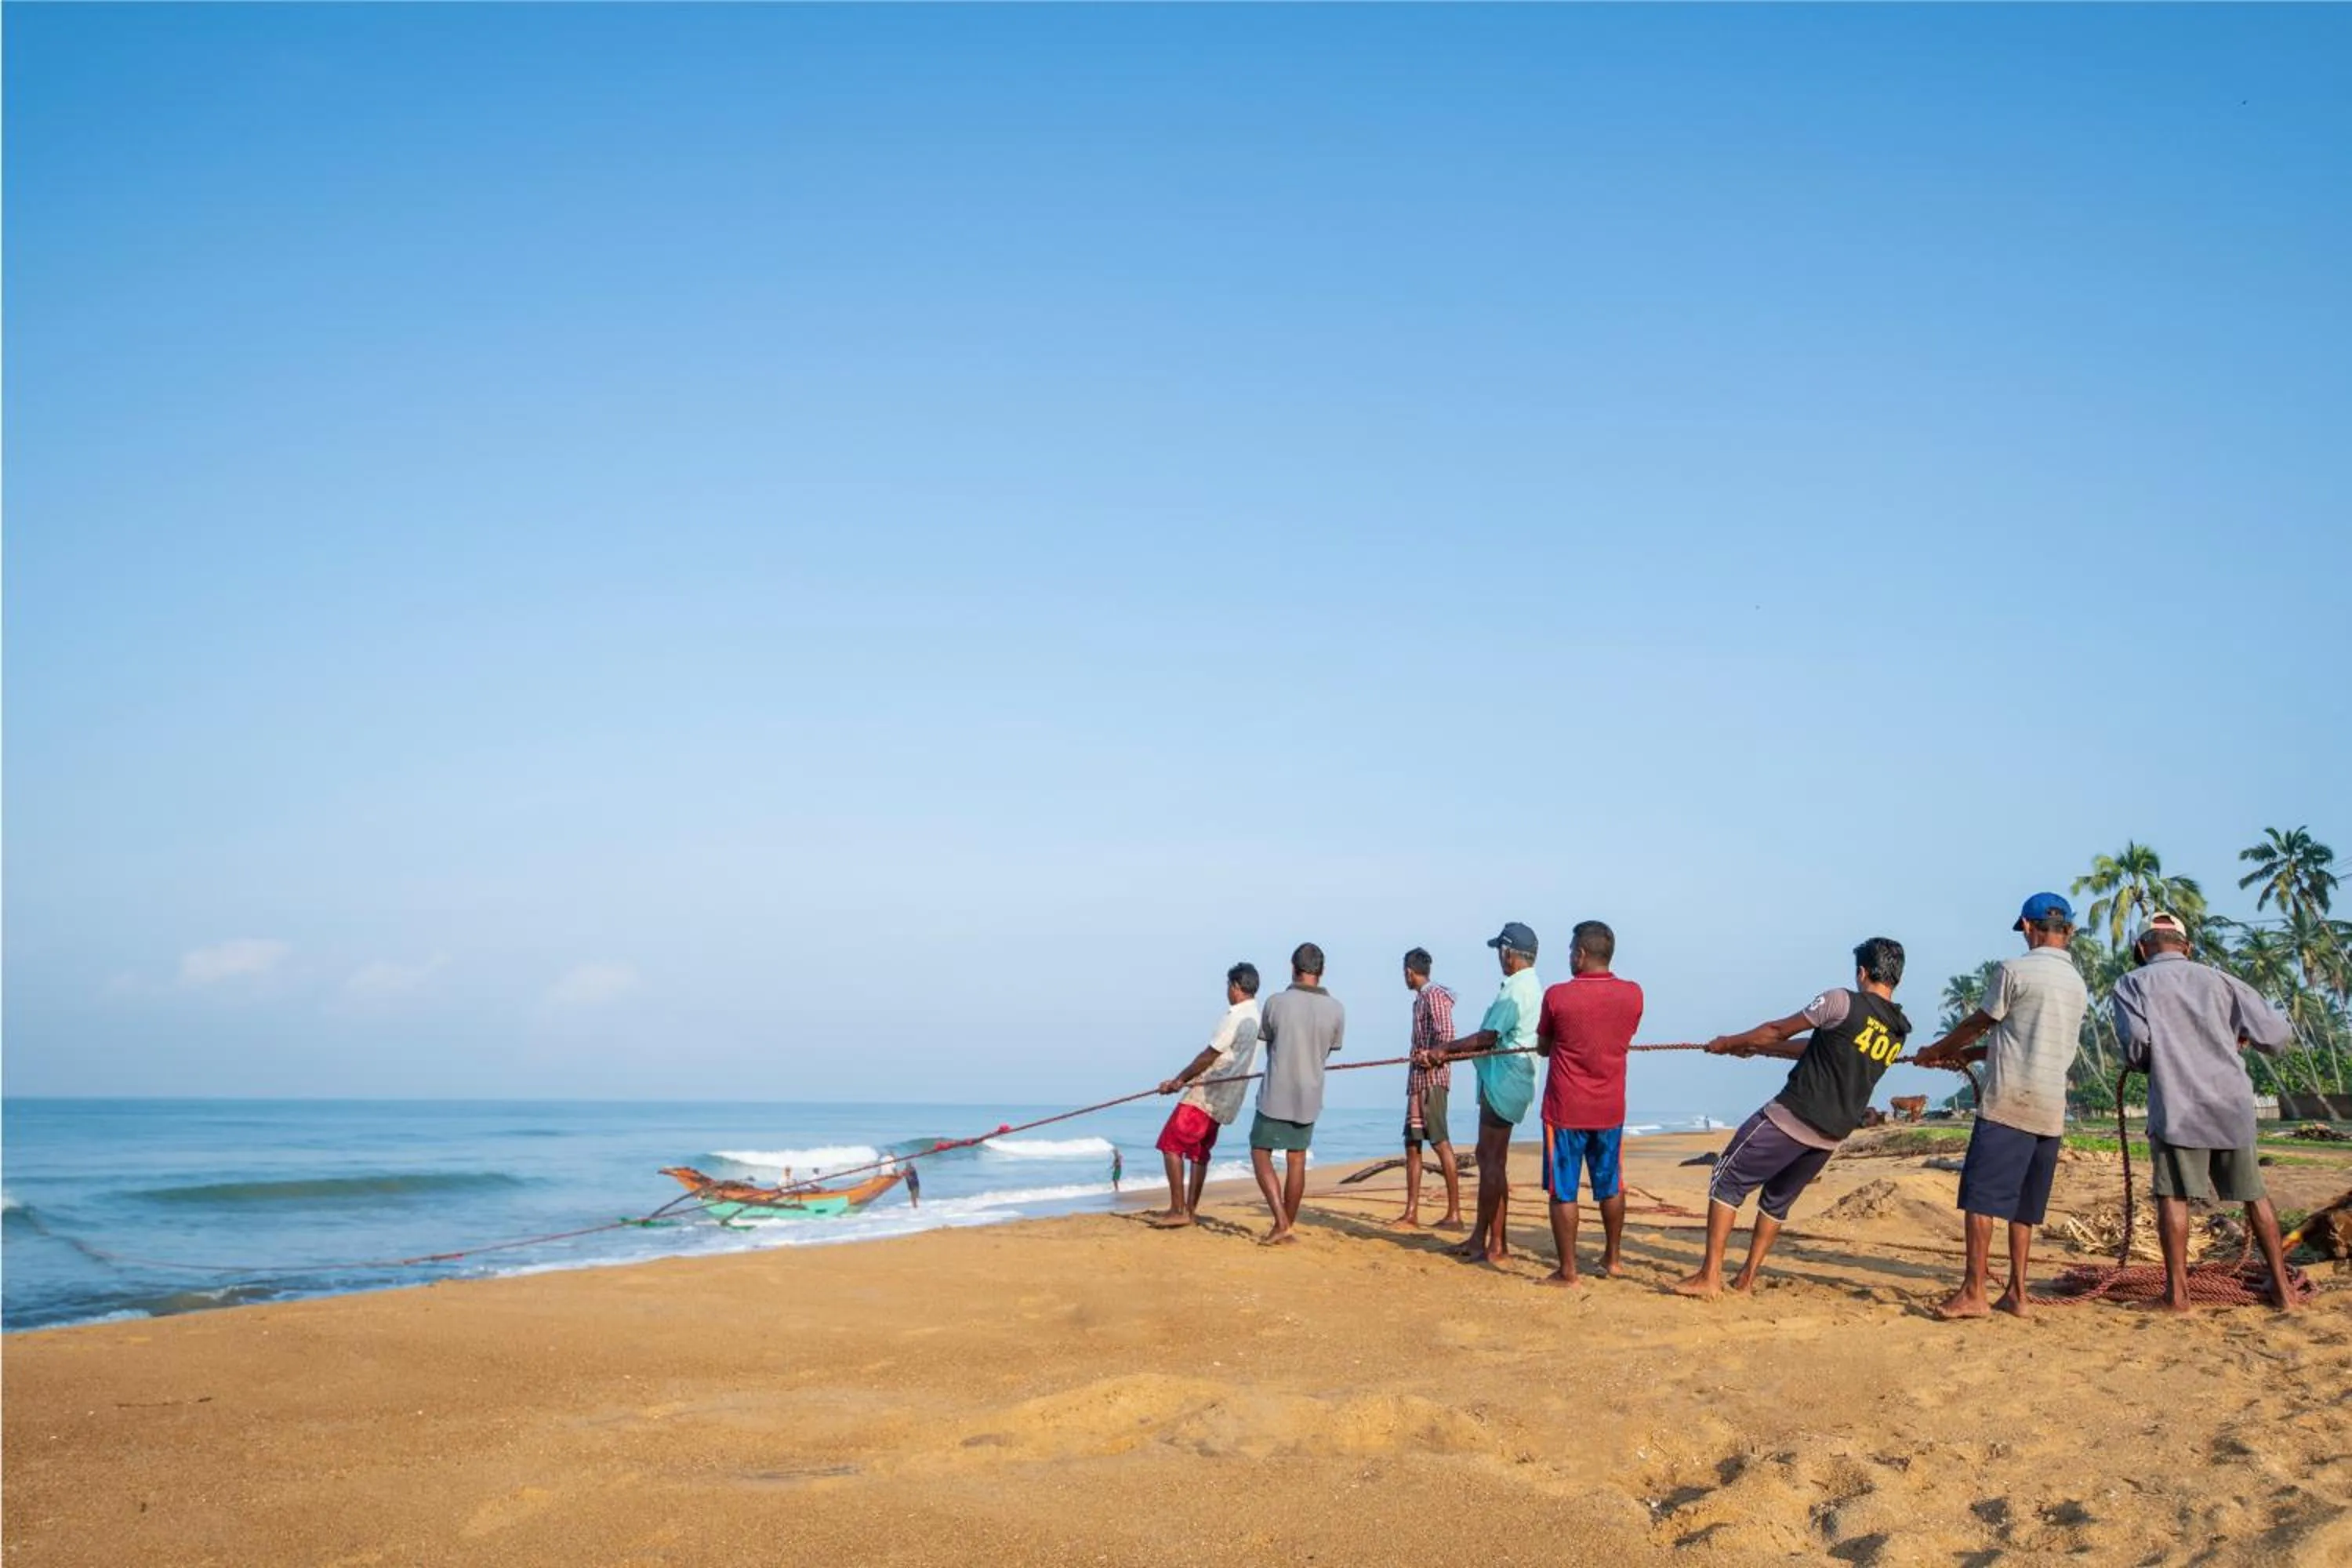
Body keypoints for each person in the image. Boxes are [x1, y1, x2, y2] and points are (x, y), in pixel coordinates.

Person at [1671, 937, 1911, 1299]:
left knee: (1726, 1179)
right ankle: (1746, 1280)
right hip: (1831, 1134)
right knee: (1777, 1201)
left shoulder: (1841, 1000)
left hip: (1793, 1115)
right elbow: (1818, 1048)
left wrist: (1730, 1042)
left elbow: (1779, 1030)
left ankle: (1710, 1277)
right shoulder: (1898, 1031)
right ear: (1897, 978)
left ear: (1862, 971)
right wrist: (1756, 1050)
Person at [2111, 912, 2298, 1313]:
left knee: (2173, 1197)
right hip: (2231, 1104)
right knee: (2254, 1195)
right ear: (2187, 947)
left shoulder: (2132, 983)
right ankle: (2283, 1289)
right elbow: (2279, 1037)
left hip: (2179, 1106)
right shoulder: (2221, 980)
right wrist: (2240, 1036)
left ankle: (2177, 1296)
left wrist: (2152, 1060)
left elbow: (2138, 1047)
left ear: (2142, 949)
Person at [1915, 893, 2089, 1319]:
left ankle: (1974, 1292)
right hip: (2050, 1111)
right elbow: (2020, 1042)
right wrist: (1965, 1056)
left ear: (2029, 928)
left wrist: (1936, 1050)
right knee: (2024, 1208)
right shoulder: (2077, 983)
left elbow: (1980, 1024)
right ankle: (2017, 1293)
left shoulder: (2015, 970)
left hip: (2009, 1105)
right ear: (2066, 930)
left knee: (1981, 1200)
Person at [1419, 922, 1541, 1265]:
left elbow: (1488, 1037)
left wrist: (1443, 1049)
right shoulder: (1529, 986)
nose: (1499, 959)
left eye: (1501, 952)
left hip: (1505, 1082)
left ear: (1509, 953)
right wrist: (1446, 1053)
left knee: (1490, 1161)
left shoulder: (1517, 989)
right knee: (1491, 1159)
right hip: (1509, 1079)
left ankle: (1488, 1242)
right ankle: (1491, 1240)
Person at [1535, 920, 1644, 1287]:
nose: (1569, 957)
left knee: (1563, 1190)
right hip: (1610, 1107)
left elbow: (1544, 1047)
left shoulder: (1557, 996)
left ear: (1580, 954)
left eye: (1570, 951)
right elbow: (1626, 1033)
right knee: (1611, 1184)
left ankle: (1568, 1271)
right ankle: (1613, 1259)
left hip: (1565, 1109)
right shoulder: (1633, 994)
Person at [1149, 962, 1263, 1229]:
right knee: (1199, 1152)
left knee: (1171, 1144)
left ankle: (1178, 1210)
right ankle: (1190, 1211)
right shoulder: (1258, 1018)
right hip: (1229, 1098)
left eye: (1228, 986)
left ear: (1235, 987)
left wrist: (1178, 1081)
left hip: (1207, 1093)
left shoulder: (1235, 1017)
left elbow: (1209, 1055)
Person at [1250, 943, 1345, 1246]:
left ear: (1293, 967)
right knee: (1297, 1158)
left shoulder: (1276, 1002)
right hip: (1311, 1091)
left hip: (1277, 1087)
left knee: (1259, 1150)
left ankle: (1281, 1223)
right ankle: (1285, 1224)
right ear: (1322, 971)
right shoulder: (1336, 1008)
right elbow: (1329, 1049)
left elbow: (1268, 1039)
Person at [1396, 948, 1463, 1230]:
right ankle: (1411, 1212)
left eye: (1404, 973)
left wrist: (1432, 1054)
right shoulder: (1421, 998)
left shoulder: (1434, 995)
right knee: (1412, 1143)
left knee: (1439, 1141)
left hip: (1432, 1081)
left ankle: (1455, 1213)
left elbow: (1447, 1036)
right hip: (1417, 1081)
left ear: (1410, 971)